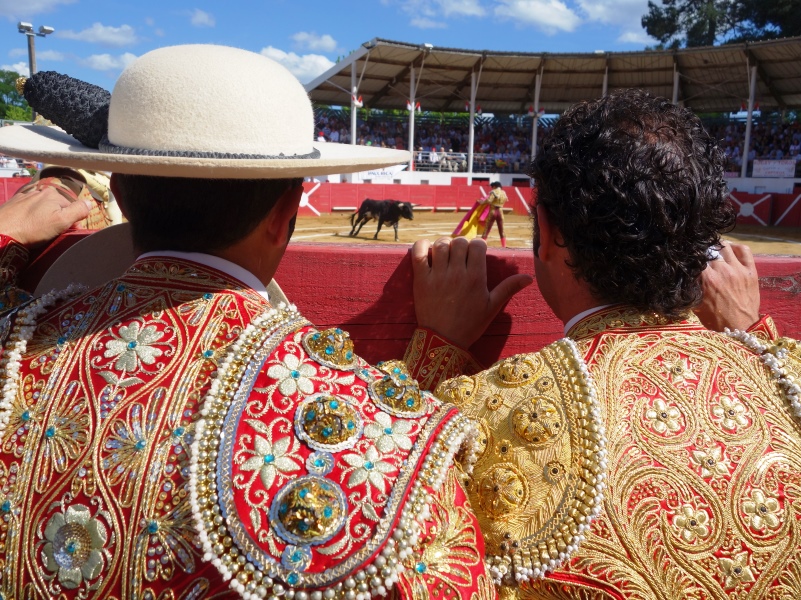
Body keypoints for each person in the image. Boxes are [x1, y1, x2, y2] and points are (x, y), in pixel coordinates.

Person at [0, 45, 493, 600]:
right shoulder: (385, 431)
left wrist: (6, 239)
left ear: (119, 194)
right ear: (286, 216)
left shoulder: (14, 343)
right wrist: (437, 354)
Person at [403, 89, 801, 598]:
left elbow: (405, 520)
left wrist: (437, 351)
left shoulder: (479, 411)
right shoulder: (783, 375)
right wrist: (755, 342)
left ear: (546, 233)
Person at [480, 181, 508, 247]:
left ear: (495, 186)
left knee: (487, 229)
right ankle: (503, 246)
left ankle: (482, 244)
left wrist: (482, 202)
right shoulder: (503, 193)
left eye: (492, 187)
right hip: (500, 212)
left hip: (493, 211)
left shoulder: (493, 192)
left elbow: (489, 200)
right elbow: (506, 200)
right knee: (502, 230)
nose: (492, 188)